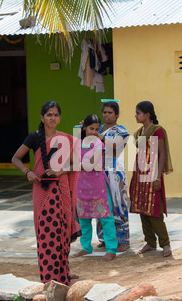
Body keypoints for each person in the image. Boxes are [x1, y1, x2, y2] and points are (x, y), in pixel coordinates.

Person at [11, 101, 81, 285]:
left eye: (56, 115)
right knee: (46, 234)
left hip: (62, 190)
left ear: (60, 117)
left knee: (63, 232)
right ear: (42, 117)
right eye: (49, 115)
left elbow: (77, 164)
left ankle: (63, 274)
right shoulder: (34, 138)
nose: (52, 118)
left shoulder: (65, 139)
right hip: (42, 192)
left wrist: (61, 171)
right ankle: (49, 278)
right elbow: (16, 158)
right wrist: (28, 172)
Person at [129, 101, 173, 257]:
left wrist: (157, 178)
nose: (135, 115)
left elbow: (161, 155)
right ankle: (150, 242)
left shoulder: (157, 131)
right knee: (143, 210)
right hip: (139, 175)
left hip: (152, 175)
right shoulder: (140, 132)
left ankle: (165, 244)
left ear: (147, 115)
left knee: (154, 211)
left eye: (138, 113)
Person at [72, 114, 118, 262]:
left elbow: (92, 164)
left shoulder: (99, 143)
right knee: (84, 218)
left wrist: (75, 166)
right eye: (91, 128)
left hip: (98, 185)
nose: (93, 132)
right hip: (81, 185)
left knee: (106, 218)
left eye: (97, 129)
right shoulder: (77, 143)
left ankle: (111, 249)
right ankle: (86, 247)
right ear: (84, 127)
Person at [96, 100, 130, 253]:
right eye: (104, 112)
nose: (106, 115)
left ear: (117, 115)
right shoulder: (98, 128)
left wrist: (100, 137)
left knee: (118, 203)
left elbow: (116, 148)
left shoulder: (120, 131)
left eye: (110, 112)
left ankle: (123, 239)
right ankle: (106, 237)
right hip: (98, 171)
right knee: (101, 203)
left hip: (115, 172)